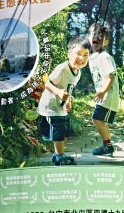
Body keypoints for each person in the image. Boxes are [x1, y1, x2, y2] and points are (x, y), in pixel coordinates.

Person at [37, 36, 89, 166]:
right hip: (50, 106)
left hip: (60, 106)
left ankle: (58, 155)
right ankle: (59, 157)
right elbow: (48, 83)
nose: (81, 58)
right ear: (69, 54)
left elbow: (69, 88)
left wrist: (68, 101)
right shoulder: (62, 69)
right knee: (59, 130)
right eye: (78, 54)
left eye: (85, 55)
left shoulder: (78, 73)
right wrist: (59, 92)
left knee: (65, 130)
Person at [88, 22, 120, 156]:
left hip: (108, 95)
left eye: (100, 35)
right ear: (89, 38)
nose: (96, 37)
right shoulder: (92, 57)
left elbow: (111, 76)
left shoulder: (104, 57)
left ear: (106, 41)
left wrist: (102, 91)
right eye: (93, 34)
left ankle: (107, 145)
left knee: (97, 119)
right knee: (99, 120)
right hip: (104, 95)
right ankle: (107, 145)